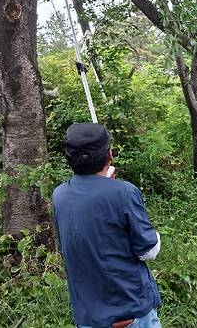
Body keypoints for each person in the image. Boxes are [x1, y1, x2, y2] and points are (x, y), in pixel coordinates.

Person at [53, 123, 162, 328]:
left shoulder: (59, 195)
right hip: (130, 314)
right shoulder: (124, 192)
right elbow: (148, 250)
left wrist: (107, 184)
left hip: (88, 317)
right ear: (109, 155)